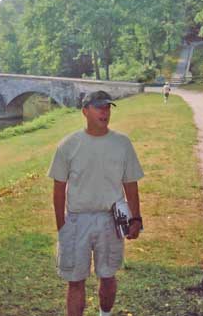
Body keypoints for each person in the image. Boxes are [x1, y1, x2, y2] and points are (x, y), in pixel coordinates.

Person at [48, 90, 144, 316]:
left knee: (108, 274)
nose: (105, 112)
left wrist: (136, 218)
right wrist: (62, 225)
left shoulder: (122, 143)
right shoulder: (68, 145)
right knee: (75, 280)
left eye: (108, 107)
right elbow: (59, 188)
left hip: (113, 218)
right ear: (85, 111)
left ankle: (105, 314)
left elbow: (131, 184)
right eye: (99, 107)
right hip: (77, 219)